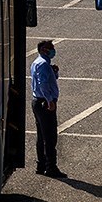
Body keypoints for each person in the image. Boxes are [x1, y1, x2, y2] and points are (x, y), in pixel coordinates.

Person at [31, 40, 66, 178]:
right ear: (44, 50)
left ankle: (41, 165)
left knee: (41, 136)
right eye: (51, 48)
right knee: (50, 137)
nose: (53, 51)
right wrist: (50, 100)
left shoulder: (37, 63)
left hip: (37, 102)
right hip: (44, 103)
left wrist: (54, 73)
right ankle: (51, 167)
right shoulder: (43, 64)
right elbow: (43, 84)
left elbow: (47, 80)